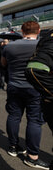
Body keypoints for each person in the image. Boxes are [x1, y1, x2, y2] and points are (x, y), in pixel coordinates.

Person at [1, 21, 49, 169]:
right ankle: (32, 155)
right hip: (35, 87)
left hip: (14, 85)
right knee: (34, 121)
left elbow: (3, 63)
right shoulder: (42, 46)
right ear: (39, 30)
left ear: (22, 31)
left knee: (14, 116)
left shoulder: (9, 46)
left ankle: (13, 147)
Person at [25, 29, 53, 169]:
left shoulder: (45, 40)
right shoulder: (49, 41)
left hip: (20, 87)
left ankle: (16, 147)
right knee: (34, 120)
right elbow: (34, 69)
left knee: (18, 116)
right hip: (40, 91)